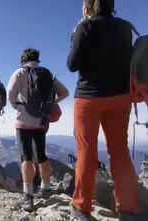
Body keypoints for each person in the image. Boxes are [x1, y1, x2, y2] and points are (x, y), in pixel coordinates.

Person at [67, 0, 140, 220]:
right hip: (120, 98)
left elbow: (72, 64)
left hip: (89, 99)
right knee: (119, 152)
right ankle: (128, 209)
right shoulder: (125, 27)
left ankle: (82, 207)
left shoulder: (85, 27)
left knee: (86, 152)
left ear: (88, 8)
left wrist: (76, 34)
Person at [7, 49, 69, 210]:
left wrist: (18, 105)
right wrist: (51, 103)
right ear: (37, 59)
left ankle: (28, 196)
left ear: (23, 59)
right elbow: (65, 92)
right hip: (41, 121)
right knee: (41, 155)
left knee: (26, 157)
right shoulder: (47, 74)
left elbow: (10, 95)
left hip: (23, 122)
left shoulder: (20, 72)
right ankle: (46, 188)